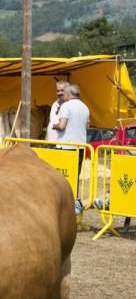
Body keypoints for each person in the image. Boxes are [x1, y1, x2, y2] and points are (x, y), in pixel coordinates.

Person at [51, 83, 91, 214]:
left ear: (68, 94)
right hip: (80, 146)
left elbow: (62, 126)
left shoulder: (66, 106)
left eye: (65, 93)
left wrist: (54, 126)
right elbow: (88, 127)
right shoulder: (85, 107)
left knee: (61, 177)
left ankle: (61, 205)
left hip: (66, 147)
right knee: (75, 177)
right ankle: (73, 205)